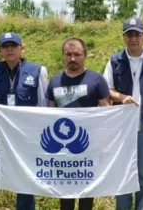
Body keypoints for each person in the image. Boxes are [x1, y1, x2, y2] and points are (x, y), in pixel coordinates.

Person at [0, 32, 48, 210]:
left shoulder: (38, 71)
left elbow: (43, 103)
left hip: (25, 135)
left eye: (13, 45)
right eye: (5, 46)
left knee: (25, 178)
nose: (9, 49)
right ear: (0, 51)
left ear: (22, 48)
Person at [103, 17, 143, 210]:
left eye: (137, 34)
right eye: (129, 35)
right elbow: (106, 90)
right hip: (122, 129)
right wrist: (121, 97)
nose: (133, 39)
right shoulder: (115, 61)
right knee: (123, 174)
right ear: (124, 37)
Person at [45, 37, 110, 210]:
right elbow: (48, 114)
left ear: (85, 55)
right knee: (65, 195)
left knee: (86, 194)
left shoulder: (97, 79)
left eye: (77, 54)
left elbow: (107, 112)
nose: (73, 59)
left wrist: (104, 142)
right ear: (63, 56)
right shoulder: (54, 81)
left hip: (89, 147)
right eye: (68, 54)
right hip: (62, 149)